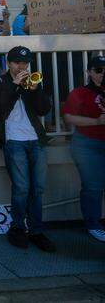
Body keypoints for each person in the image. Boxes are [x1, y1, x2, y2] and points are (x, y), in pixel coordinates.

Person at [0, 46, 54, 252]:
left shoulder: (34, 81)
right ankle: (17, 229)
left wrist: (34, 90)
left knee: (38, 188)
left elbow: (44, 109)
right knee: (22, 188)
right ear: (9, 62)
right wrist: (15, 86)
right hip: (13, 140)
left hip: (36, 140)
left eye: (25, 63)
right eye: (17, 63)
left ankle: (36, 231)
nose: (21, 67)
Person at [62, 55, 105, 242]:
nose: (103, 74)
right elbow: (69, 118)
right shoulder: (80, 92)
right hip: (87, 144)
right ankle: (93, 224)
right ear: (89, 72)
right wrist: (96, 121)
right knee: (93, 186)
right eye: (98, 70)